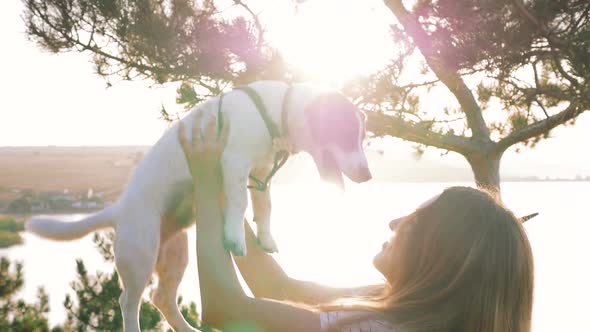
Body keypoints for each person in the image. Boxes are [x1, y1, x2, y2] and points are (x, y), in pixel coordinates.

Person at [178, 116, 534, 332]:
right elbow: (274, 286)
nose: (396, 221)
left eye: (415, 220)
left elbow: (223, 308)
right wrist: (227, 200)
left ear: (438, 252)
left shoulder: (377, 328)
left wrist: (208, 187)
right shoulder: (400, 308)